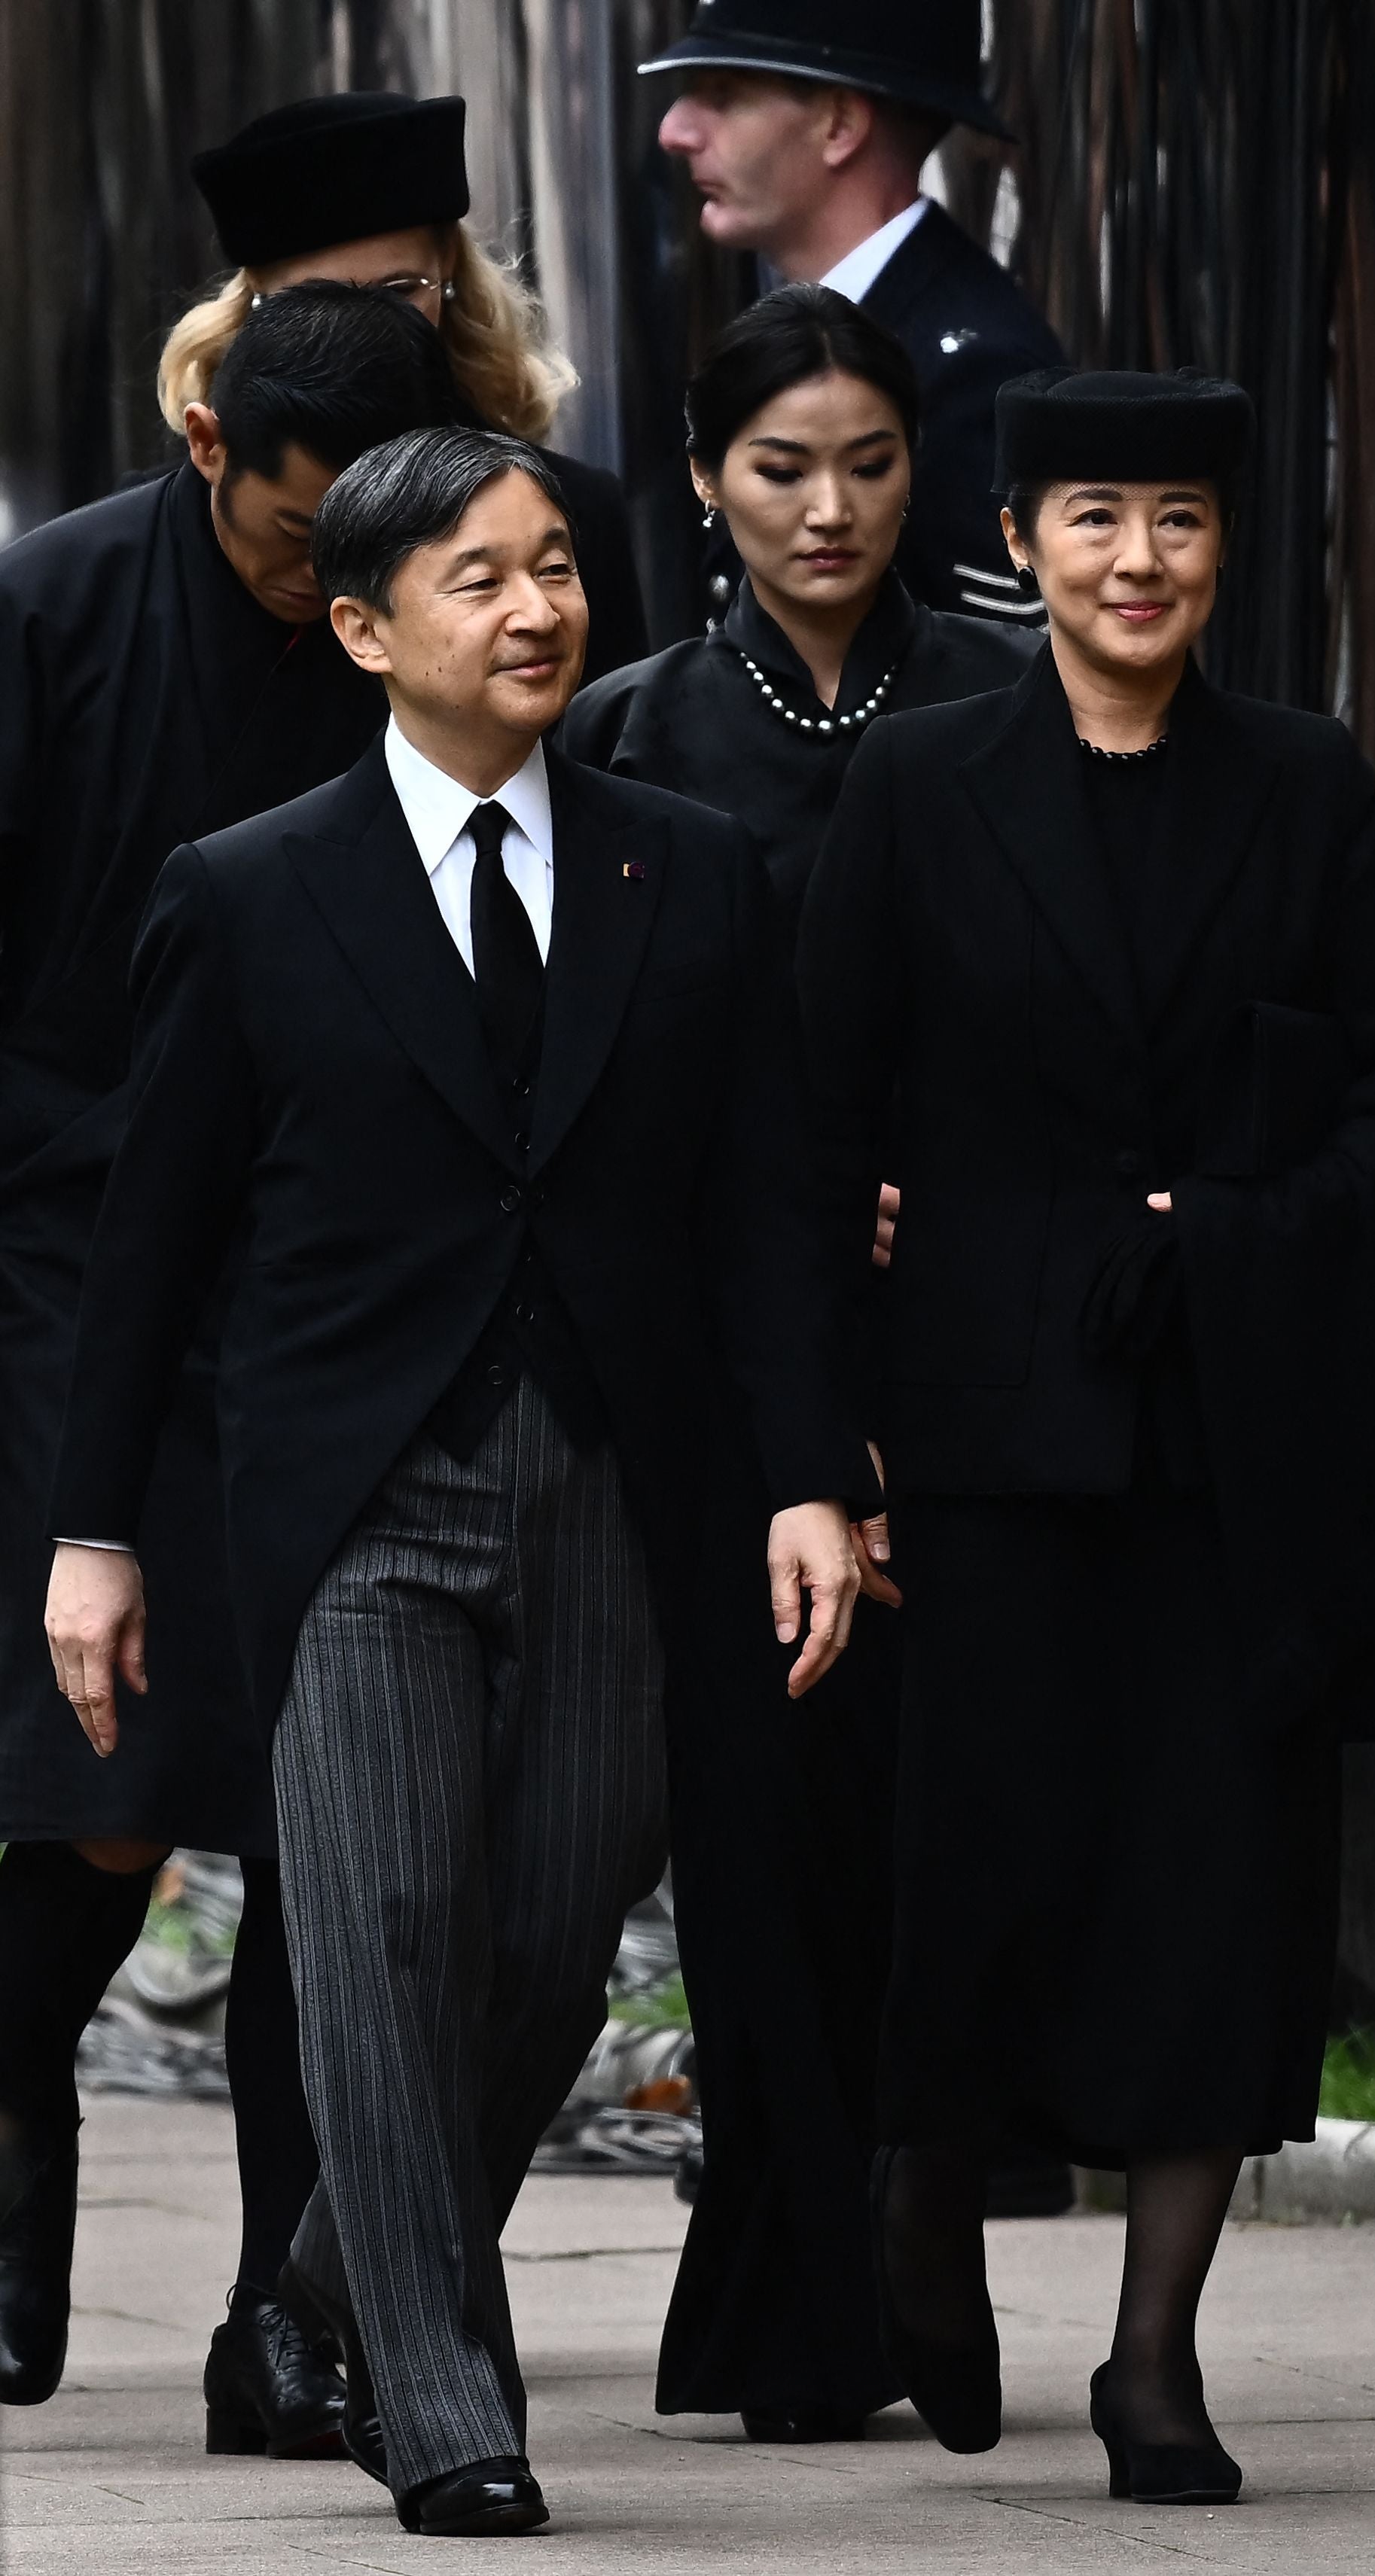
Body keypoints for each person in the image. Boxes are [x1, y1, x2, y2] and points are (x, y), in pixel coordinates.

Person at [43, 425, 879, 2538]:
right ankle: (441, 2401)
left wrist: (806, 1477)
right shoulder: (246, 891)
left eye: (556, 571)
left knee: (561, 1927)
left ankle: (321, 2277)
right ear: (363, 625)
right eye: (480, 580)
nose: (535, 610)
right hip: (348, 1500)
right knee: (390, 1922)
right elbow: (144, 1245)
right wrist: (92, 1528)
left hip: (618, 1473)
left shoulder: (682, 864)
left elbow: (766, 1208)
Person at [797, 368, 1375, 2496]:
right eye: (1094, 517)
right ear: (1018, 543)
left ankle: (1156, 2357)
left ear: (1222, 549)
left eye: (1178, 521)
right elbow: (817, 1119)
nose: (1137, 561)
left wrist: (1242, 1225)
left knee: (1220, 1887)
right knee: (978, 1871)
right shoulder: (917, 786)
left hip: (1229, 1432)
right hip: (986, 1430)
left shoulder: (1297, 786)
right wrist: (831, 1449)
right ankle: (927, 2195)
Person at [561, 283, 1030, 2441]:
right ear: (704, 481)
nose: (827, 506)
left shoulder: (1002, 696)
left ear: (919, 468)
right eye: (780, 466)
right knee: (757, 1809)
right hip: (728, 1337)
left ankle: (884, 2229)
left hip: (979, 1330)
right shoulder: (638, 733)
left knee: (932, 1815)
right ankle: (788, 2274)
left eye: (866, 460)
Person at [0, 286, 469, 2442]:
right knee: (105, 1790)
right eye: (294, 546)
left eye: (363, 548)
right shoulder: (57, 607)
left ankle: (294, 2314)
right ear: (209, 452)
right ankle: (16, 2141)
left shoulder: (454, 610)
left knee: (333, 1816)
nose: (324, 590)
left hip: (338, 1269)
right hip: (65, 1250)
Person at [171, 88, 648, 683]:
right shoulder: (157, 535)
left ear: (449, 270)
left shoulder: (572, 513)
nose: (366, 326)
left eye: (396, 292)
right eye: (312, 300)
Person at [644, 0, 1062, 625]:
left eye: (723, 95)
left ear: (839, 125)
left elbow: (994, 686)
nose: (674, 131)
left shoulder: (976, 372)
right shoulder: (794, 326)